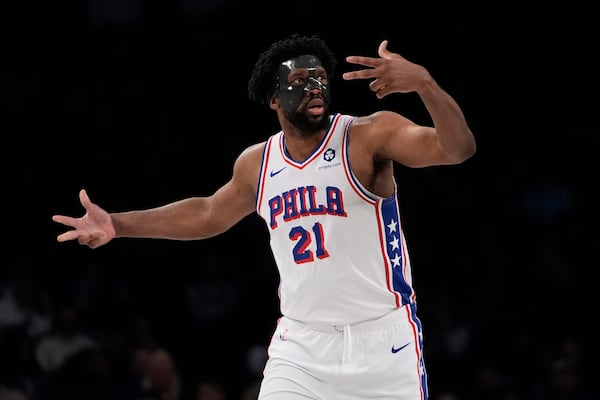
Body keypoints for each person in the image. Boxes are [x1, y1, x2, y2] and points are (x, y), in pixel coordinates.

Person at [52, 33, 476, 399]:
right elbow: (207, 213)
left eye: (320, 79)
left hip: (384, 343)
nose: (313, 87)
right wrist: (118, 225)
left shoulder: (368, 135)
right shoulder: (259, 163)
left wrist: (424, 84)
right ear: (274, 97)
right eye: (299, 81)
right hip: (302, 346)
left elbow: (456, 149)